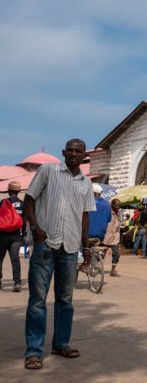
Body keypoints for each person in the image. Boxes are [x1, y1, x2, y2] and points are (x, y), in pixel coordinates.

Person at [22, 139, 96, 370]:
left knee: (66, 301)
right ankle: (34, 351)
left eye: (78, 151)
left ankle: (61, 343)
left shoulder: (85, 183)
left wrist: (86, 247)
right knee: (37, 301)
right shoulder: (48, 171)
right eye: (70, 150)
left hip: (71, 248)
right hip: (46, 245)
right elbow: (29, 200)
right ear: (64, 152)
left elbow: (85, 217)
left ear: (84, 156)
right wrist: (35, 228)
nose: (74, 154)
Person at [0, 180, 26, 292]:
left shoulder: (3, 202)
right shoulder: (22, 204)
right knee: (15, 259)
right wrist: (23, 235)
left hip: (2, 235)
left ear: (9, 191)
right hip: (16, 236)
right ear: (19, 191)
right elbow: (24, 222)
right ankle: (17, 283)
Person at [102, 199, 122, 277]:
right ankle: (96, 266)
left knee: (116, 254)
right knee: (101, 254)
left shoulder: (119, 213)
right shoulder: (108, 212)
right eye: (116, 205)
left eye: (119, 205)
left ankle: (112, 271)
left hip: (115, 237)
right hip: (106, 236)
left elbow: (119, 223)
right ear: (112, 205)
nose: (118, 207)